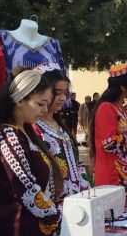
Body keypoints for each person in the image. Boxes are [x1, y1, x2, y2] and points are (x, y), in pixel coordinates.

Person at [0, 67, 63, 236]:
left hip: (35, 231)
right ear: (20, 100)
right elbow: (27, 189)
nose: (44, 109)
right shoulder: (7, 135)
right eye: (40, 104)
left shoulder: (24, 133)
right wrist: (59, 215)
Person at [35, 66, 91, 197]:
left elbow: (77, 162)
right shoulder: (35, 128)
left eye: (65, 93)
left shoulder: (59, 125)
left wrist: (85, 189)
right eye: (58, 93)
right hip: (54, 201)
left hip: (77, 198)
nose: (63, 98)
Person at [89, 63, 127, 190]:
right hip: (112, 176)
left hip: (122, 175)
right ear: (123, 87)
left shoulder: (119, 109)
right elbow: (110, 144)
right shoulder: (106, 108)